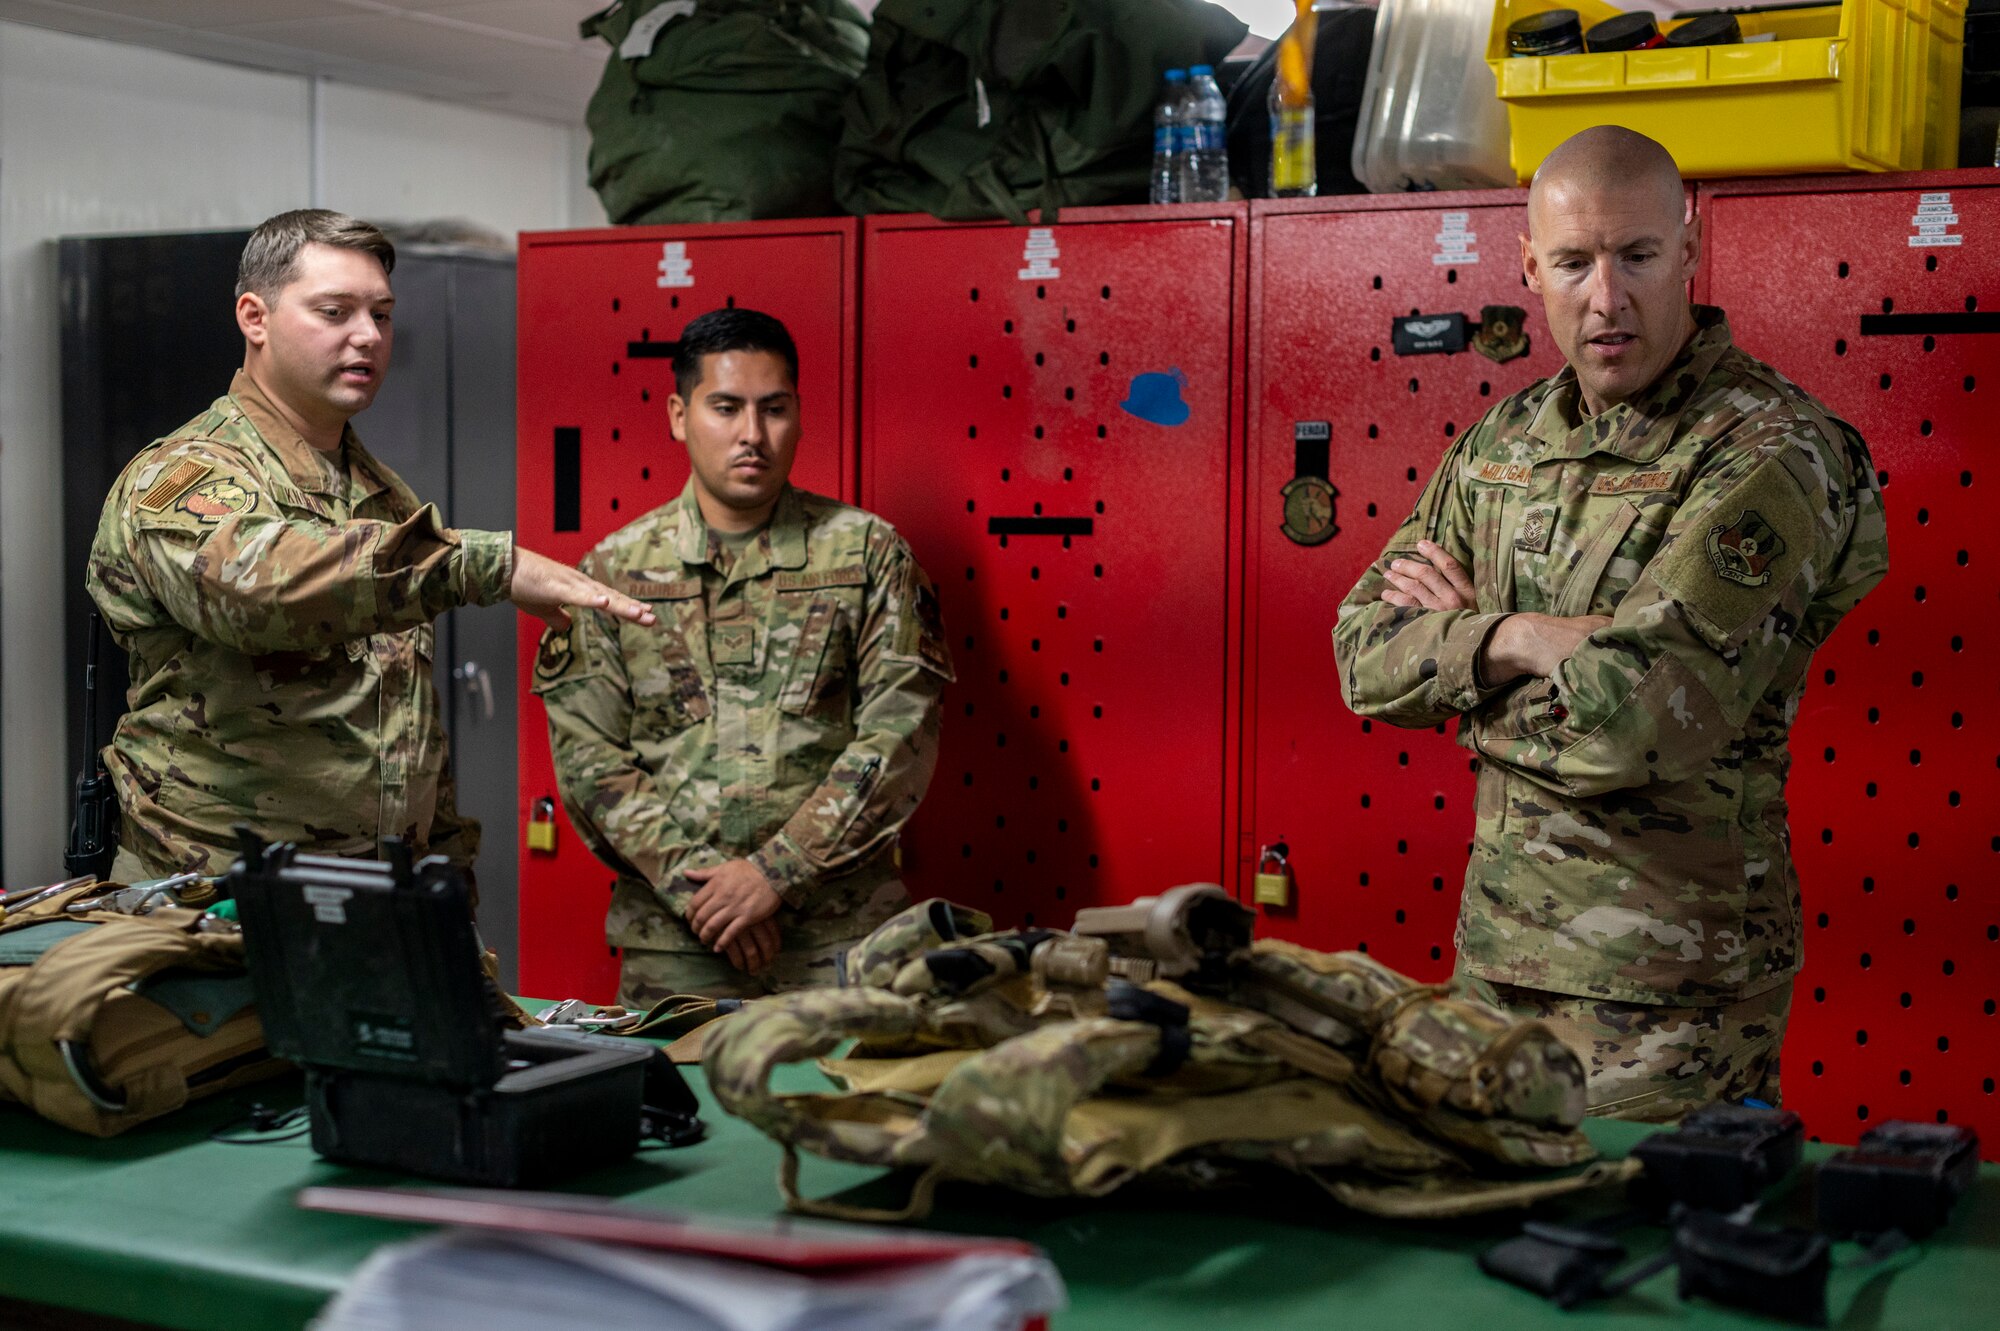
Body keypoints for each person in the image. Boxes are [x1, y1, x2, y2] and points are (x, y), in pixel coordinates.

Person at [1331, 126, 1888, 1121]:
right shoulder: (1501, 443)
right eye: (1573, 262)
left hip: (1670, 1002)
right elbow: (1362, 656)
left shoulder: (1769, 451)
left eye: (1634, 256)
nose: (1605, 297)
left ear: (1686, 246)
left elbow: (1639, 718)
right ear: (1527, 266)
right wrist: (1521, 637)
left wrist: (1459, 665)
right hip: (1493, 974)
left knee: (1646, 1269)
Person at [87, 209, 655, 884]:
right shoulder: (186, 477)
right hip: (212, 909)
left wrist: (445, 894)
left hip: (371, 906)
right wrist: (487, 564)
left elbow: (406, 727)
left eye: (382, 316)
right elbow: (256, 588)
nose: (368, 336)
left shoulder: (384, 496)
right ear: (254, 317)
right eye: (335, 311)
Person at [536, 308, 951, 1005]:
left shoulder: (869, 554)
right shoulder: (611, 569)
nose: (752, 435)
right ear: (679, 414)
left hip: (839, 942)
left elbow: (898, 735)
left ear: (798, 413)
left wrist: (774, 873)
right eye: (725, 407)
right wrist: (707, 893)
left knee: (846, 1114)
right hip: (678, 947)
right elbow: (590, 759)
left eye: (774, 409)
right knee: (681, 1116)